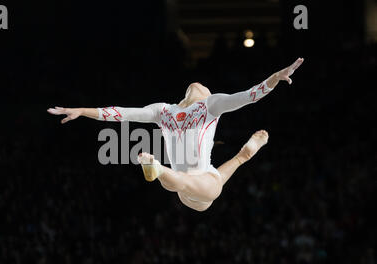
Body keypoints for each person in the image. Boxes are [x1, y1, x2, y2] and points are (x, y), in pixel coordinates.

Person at [48, 58, 304, 211]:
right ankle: (162, 169)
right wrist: (82, 110)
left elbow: (250, 96)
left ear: (207, 95)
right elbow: (122, 113)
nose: (198, 85)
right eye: (195, 86)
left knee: (193, 183)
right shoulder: (163, 110)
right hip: (194, 183)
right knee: (206, 178)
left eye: (204, 87)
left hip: (195, 181)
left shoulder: (211, 105)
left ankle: (159, 168)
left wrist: (275, 78)